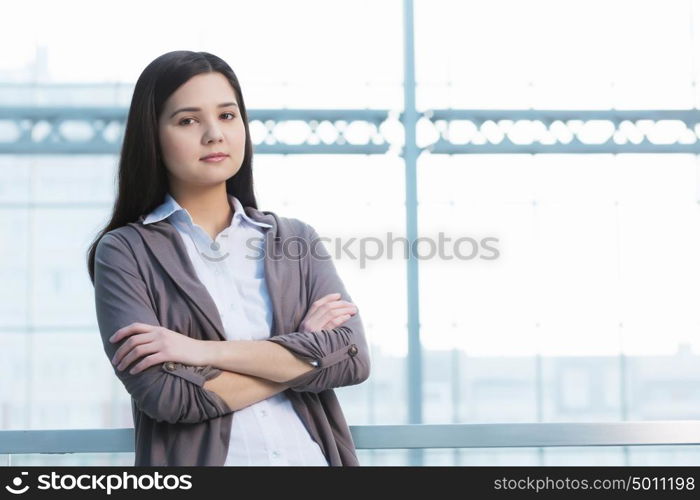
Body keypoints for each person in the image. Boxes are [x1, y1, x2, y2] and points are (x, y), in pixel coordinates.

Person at [86, 50, 371, 466]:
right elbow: (169, 397)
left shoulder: (294, 238)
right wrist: (303, 359)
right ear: (152, 134)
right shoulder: (125, 252)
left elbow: (352, 358)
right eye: (188, 120)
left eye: (227, 115)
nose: (214, 135)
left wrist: (202, 352)